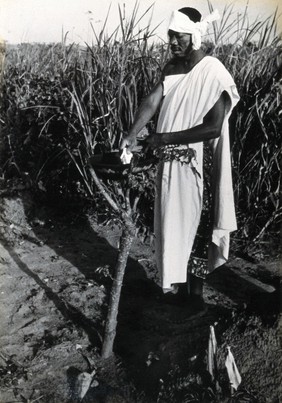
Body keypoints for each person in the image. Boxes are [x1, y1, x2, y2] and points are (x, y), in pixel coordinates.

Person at [120, 7, 240, 310]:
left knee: (197, 228)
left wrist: (164, 138)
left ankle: (196, 300)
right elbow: (151, 102)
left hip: (199, 163)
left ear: (195, 35)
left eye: (179, 36)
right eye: (170, 35)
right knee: (173, 224)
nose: (172, 41)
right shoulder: (172, 68)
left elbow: (213, 126)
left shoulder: (213, 71)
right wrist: (133, 133)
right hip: (170, 162)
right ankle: (178, 289)